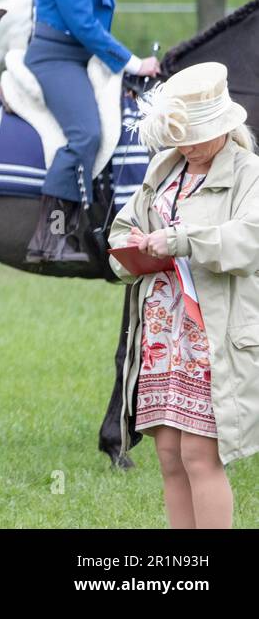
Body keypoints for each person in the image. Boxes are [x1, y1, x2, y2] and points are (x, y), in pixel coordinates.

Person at [109, 62, 259, 528]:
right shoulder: (165, 166)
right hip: (161, 334)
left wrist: (181, 240)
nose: (186, 144)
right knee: (170, 453)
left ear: (223, 127)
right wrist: (127, 251)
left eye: (195, 134)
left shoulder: (248, 172)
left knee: (199, 453)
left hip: (210, 334)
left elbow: (249, 240)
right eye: (179, 135)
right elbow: (123, 226)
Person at [24, 0, 160, 268]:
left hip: (83, 56)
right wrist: (133, 61)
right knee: (86, 134)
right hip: (57, 57)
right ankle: (48, 239)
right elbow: (83, 25)